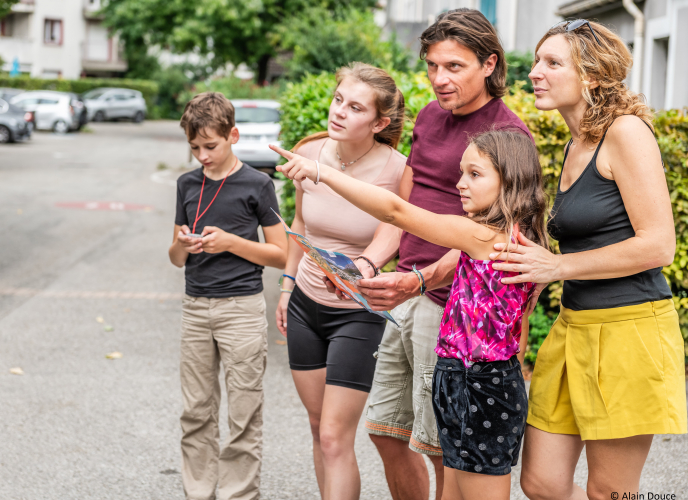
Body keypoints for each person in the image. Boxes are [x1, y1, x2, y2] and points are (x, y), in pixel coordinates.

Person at [319, 9, 532, 500]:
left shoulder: (508, 135)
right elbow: (405, 208)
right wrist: (371, 265)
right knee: (386, 430)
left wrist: (421, 280)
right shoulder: (432, 116)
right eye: (433, 66)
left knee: (442, 449)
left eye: (454, 66)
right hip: (408, 295)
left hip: (450, 310)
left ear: (489, 64)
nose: (439, 79)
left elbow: (494, 240)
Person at [273, 127, 547, 500]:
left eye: (475, 174)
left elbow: (395, 210)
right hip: (468, 379)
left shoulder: (487, 239)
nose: (460, 184)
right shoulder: (509, 236)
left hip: (479, 385)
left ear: (510, 181)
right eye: (462, 172)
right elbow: (519, 329)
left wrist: (321, 172)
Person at [485, 21, 688, 500]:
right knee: (541, 482)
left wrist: (557, 268)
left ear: (592, 75)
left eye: (553, 63)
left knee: (612, 491)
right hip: (572, 328)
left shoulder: (626, 133)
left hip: (627, 332)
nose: (535, 72)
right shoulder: (578, 143)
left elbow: (659, 245)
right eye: (537, 61)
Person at [274, 62, 407, 500]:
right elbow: (299, 223)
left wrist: (366, 266)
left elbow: (400, 228)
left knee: (335, 436)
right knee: (317, 429)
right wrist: (287, 286)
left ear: (380, 122)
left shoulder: (397, 169)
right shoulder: (309, 151)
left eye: (354, 107)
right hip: (305, 305)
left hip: (358, 313)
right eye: (338, 100)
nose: (339, 112)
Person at [168, 92, 288, 500]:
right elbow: (174, 257)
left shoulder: (258, 184)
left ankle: (239, 494)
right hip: (196, 306)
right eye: (195, 147)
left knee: (243, 412)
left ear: (233, 135)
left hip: (241, 307)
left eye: (211, 146)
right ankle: (198, 492)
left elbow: (280, 253)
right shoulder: (187, 184)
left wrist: (231, 243)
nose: (202, 156)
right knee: (195, 411)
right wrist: (185, 243)